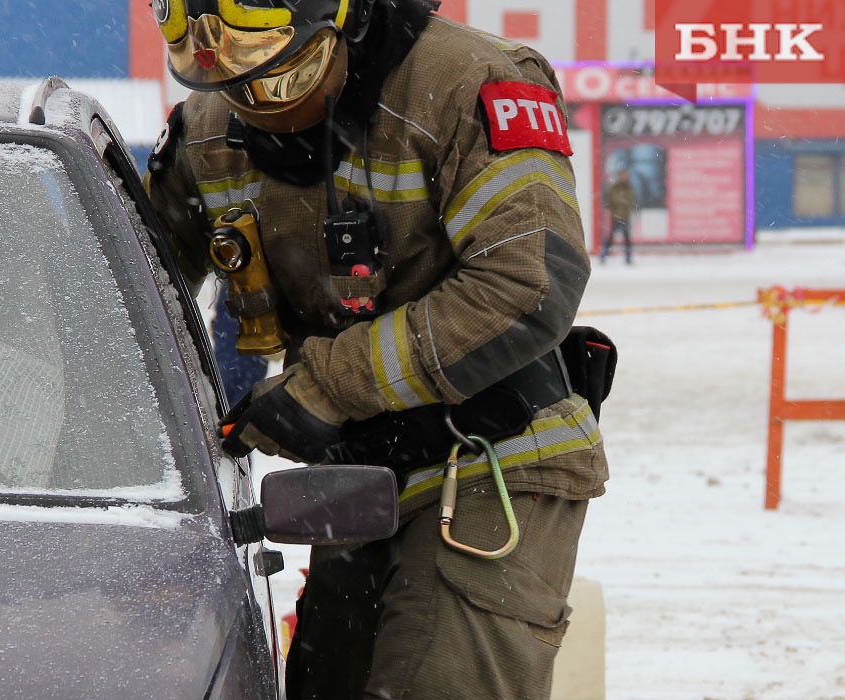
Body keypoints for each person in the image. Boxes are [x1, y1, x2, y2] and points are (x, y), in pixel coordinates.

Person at [143, 1, 611, 698]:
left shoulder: (470, 82)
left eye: (281, 80)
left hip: (494, 458)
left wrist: (325, 387)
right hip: (357, 478)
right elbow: (124, 288)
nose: (259, 108)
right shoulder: (207, 135)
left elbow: (528, 281)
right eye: (236, 89)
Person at [601, 167, 637, 264]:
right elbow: (610, 200)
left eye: (625, 175)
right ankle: (603, 256)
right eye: (622, 175)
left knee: (627, 238)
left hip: (625, 216)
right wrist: (615, 208)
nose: (624, 177)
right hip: (616, 216)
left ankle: (628, 258)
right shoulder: (614, 187)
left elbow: (631, 200)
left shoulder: (629, 187)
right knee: (610, 238)